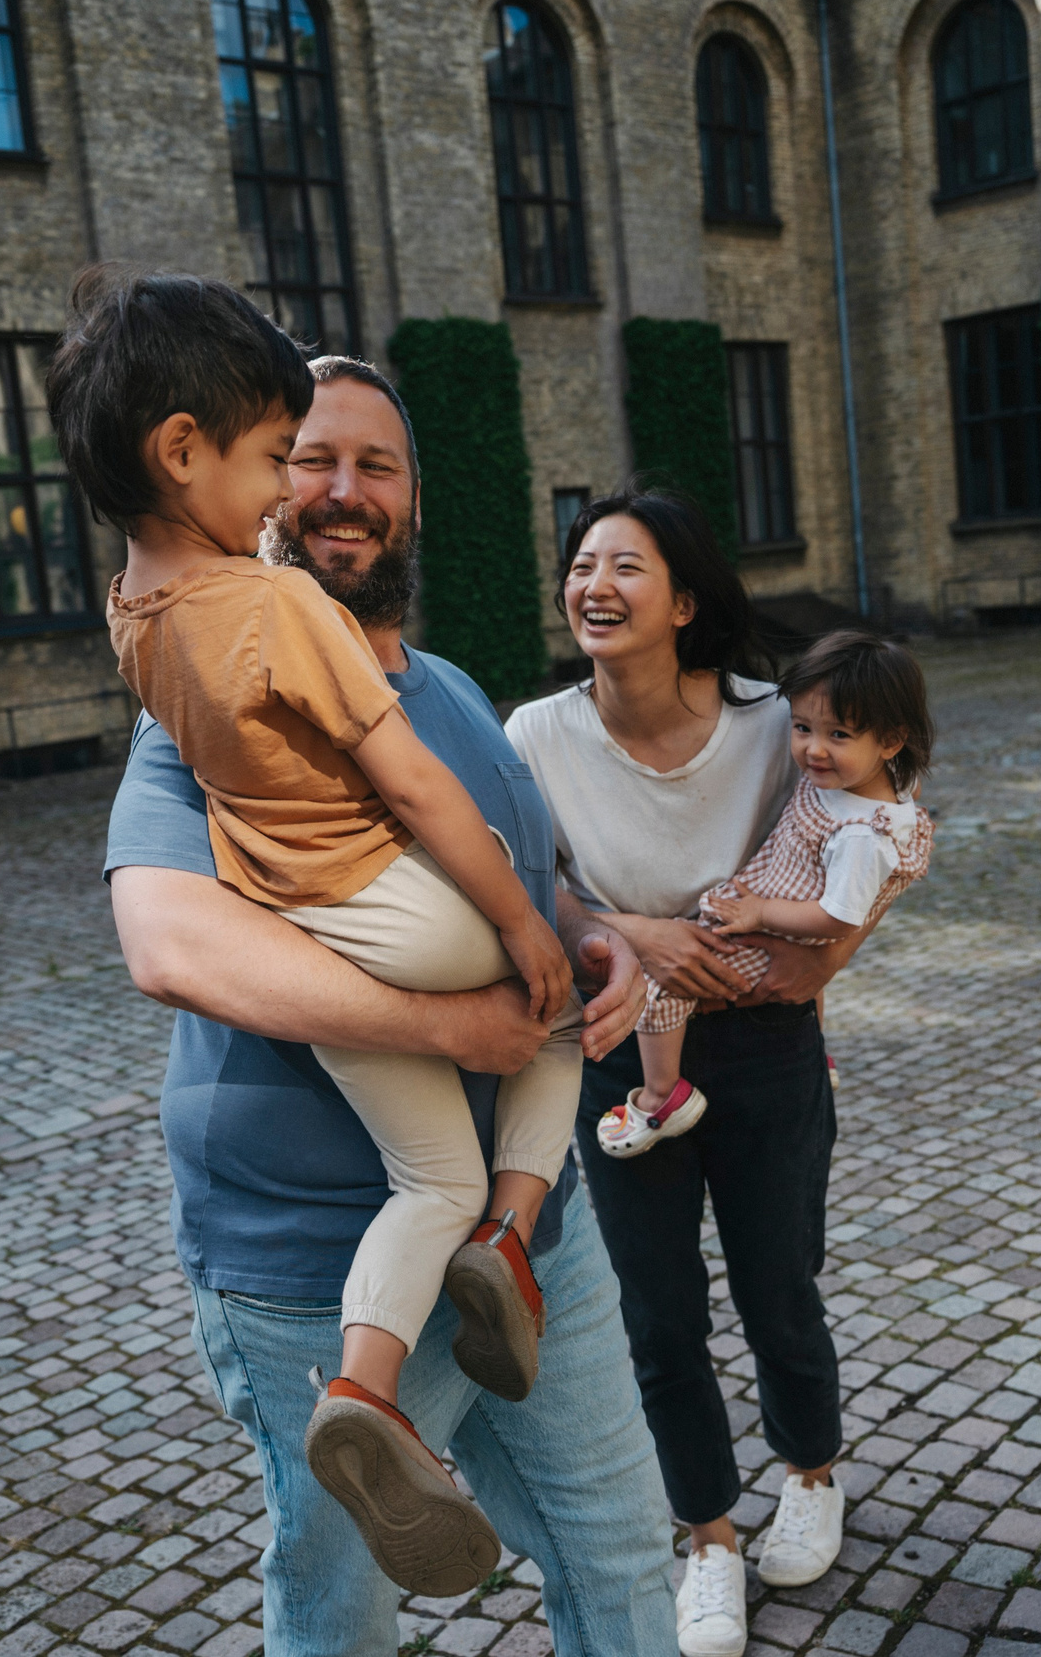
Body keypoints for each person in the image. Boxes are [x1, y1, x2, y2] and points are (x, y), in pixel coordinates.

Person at [105, 358, 680, 1655]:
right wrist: (450, 1027)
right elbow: (168, 942)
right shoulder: (205, 705)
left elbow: (525, 880)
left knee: (622, 1552)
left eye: (378, 464)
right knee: (345, 1625)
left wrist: (594, 939)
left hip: (531, 1246)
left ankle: (502, 1242)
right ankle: (373, 1398)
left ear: (414, 497)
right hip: (311, 1261)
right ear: (256, 477)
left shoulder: (457, 692)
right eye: (310, 457)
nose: (344, 489)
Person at [52, 270, 579, 1589]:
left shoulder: (133, 616)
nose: (288, 491)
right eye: (279, 456)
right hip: (394, 915)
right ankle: (512, 1234)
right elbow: (420, 790)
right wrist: (529, 926)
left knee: (427, 1177)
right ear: (183, 449)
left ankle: (366, 1389)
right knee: (560, 1011)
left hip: (307, 930)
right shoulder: (283, 606)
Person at [503, 489, 868, 1657]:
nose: (593, 584)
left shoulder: (772, 723)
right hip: (620, 1041)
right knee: (656, 1312)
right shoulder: (535, 735)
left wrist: (818, 964)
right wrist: (636, 934)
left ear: (685, 602)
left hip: (760, 1034)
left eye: (626, 565)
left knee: (778, 1283)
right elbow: (528, 886)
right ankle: (707, 1535)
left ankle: (810, 1469)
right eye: (581, 563)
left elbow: (872, 827)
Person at [597, 632, 935, 1159]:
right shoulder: (866, 779)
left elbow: (839, 919)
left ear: (891, 741)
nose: (813, 749)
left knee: (661, 986)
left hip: (781, 924)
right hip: (777, 901)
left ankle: (663, 1096)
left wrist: (760, 912)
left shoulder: (862, 836)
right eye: (802, 728)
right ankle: (817, 1054)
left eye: (839, 734)